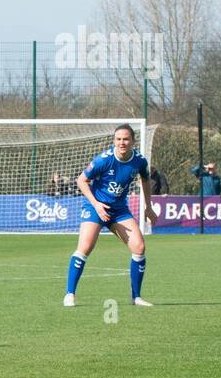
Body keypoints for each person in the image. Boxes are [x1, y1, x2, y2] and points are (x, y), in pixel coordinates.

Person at [64, 123, 158, 309]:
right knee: (85, 247)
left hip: (119, 210)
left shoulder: (140, 161)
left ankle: (136, 297)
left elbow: (146, 180)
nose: (122, 143)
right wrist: (96, 204)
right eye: (118, 139)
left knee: (139, 247)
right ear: (114, 141)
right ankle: (69, 294)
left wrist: (148, 206)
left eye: (126, 139)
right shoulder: (103, 160)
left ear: (133, 141)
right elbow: (81, 180)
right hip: (95, 207)